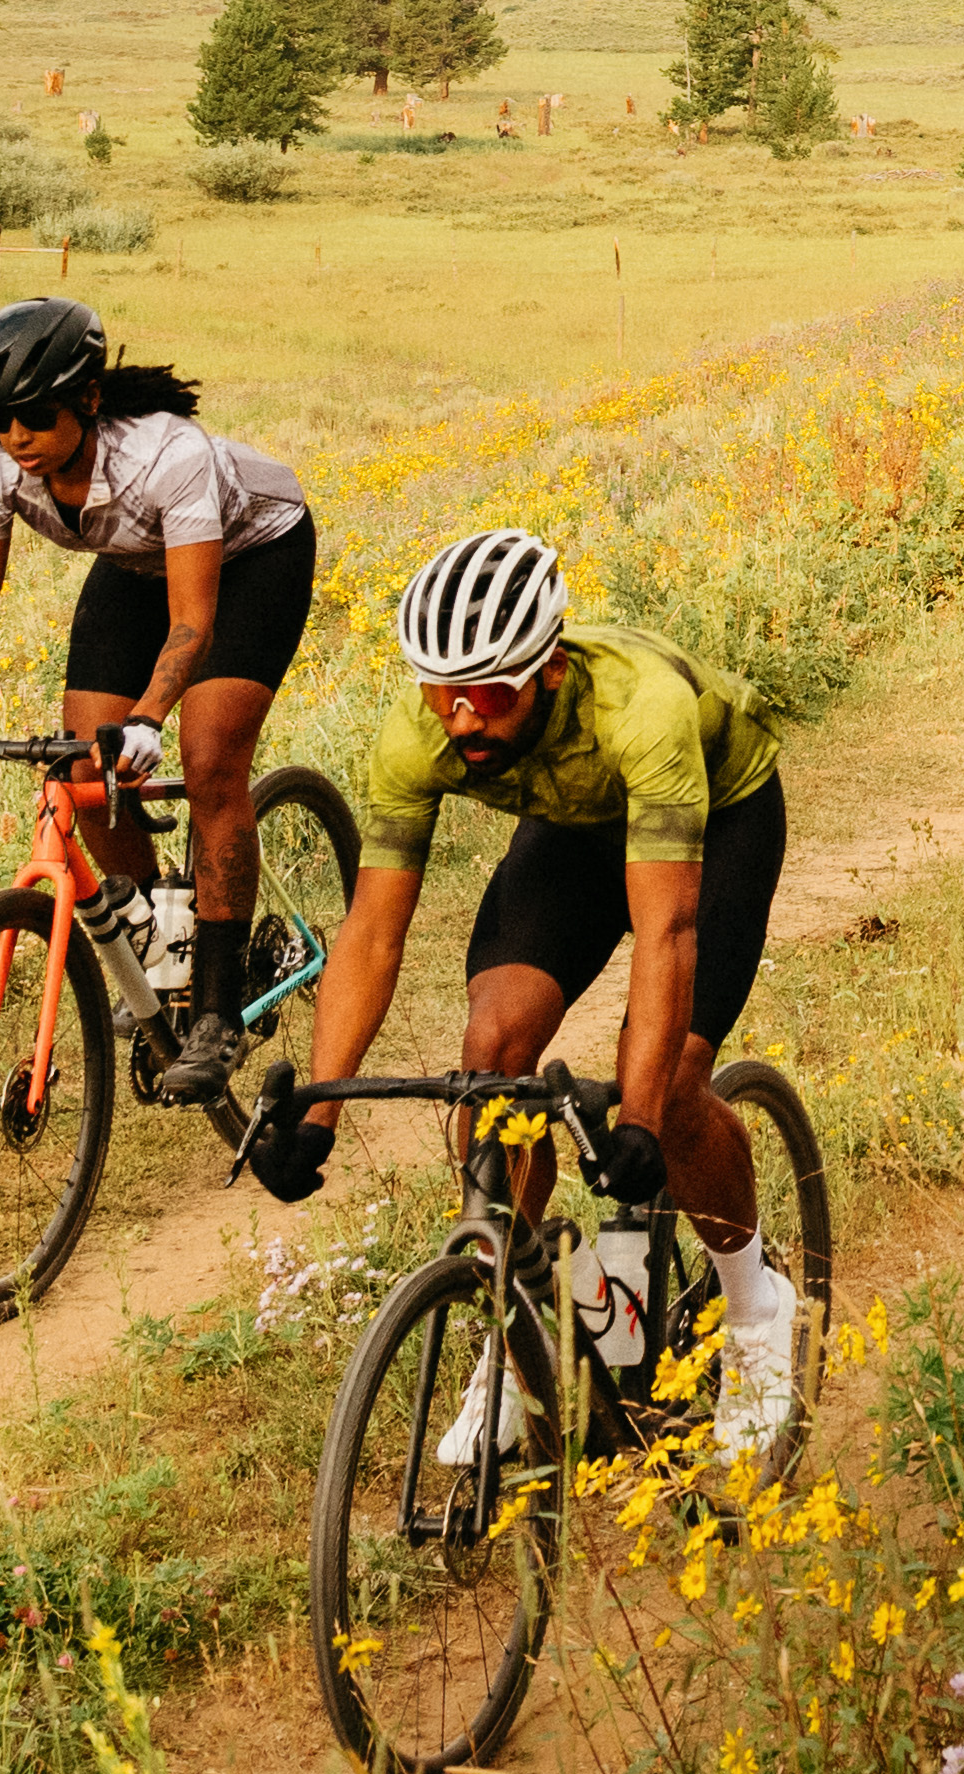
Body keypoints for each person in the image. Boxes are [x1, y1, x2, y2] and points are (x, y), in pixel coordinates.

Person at [242, 524, 810, 1462]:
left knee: (666, 1095)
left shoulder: (644, 709)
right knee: (492, 1059)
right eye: (443, 693)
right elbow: (373, 933)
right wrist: (319, 1111)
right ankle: (518, 1329)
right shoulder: (420, 735)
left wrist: (636, 1116)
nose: (461, 720)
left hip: (719, 809)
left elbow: (664, 934)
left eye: (487, 694)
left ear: (546, 670)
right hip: (572, 827)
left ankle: (756, 1307)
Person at [0, 295, 314, 969]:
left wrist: (148, 717)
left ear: (87, 398)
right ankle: (164, 956)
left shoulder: (167, 455)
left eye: (36, 416)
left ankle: (218, 1010)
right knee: (84, 764)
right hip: (137, 562)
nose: (16, 435)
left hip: (254, 555)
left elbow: (193, 617)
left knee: (208, 760)